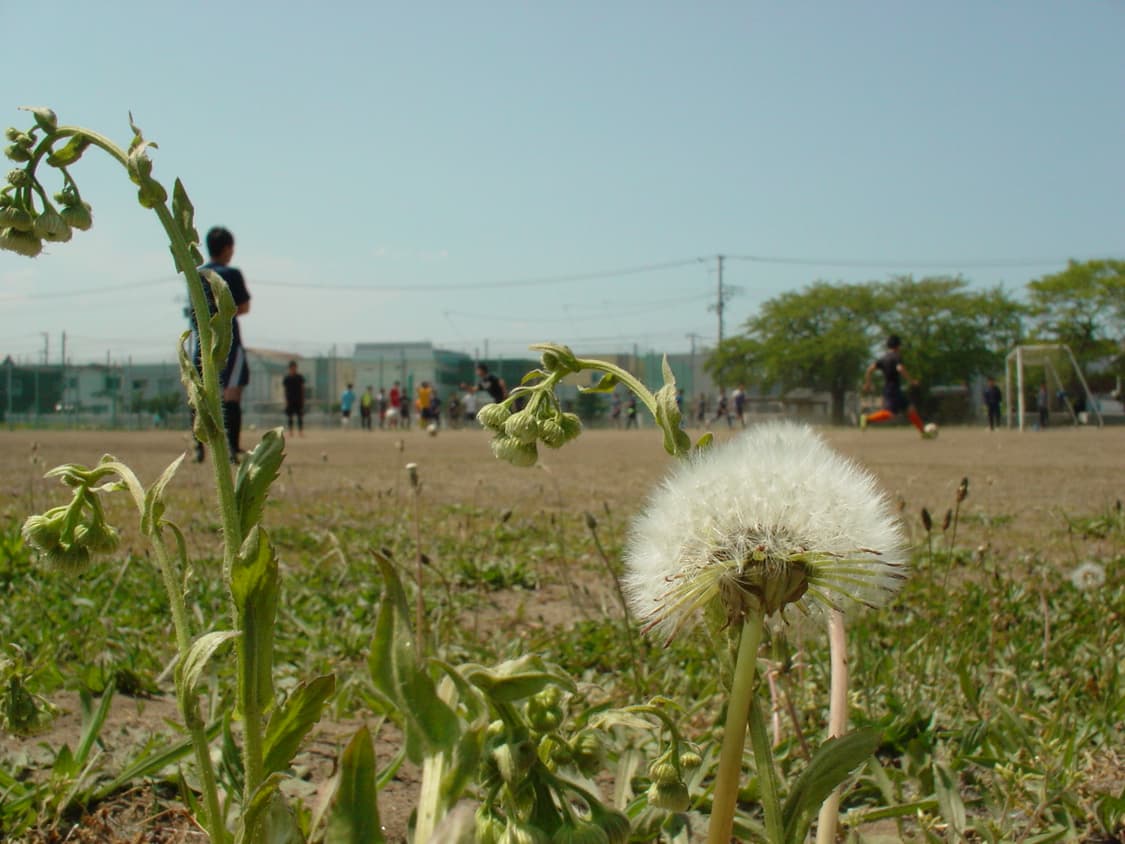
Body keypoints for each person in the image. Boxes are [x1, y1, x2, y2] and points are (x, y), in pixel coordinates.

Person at [189, 226, 251, 464]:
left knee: (199, 394)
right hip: (228, 343)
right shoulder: (231, 274)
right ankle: (232, 449)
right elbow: (243, 307)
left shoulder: (198, 275)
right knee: (231, 395)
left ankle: (199, 449)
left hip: (203, 342)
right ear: (227, 248)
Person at [859, 335, 928, 436]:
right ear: (898, 346)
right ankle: (867, 418)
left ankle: (923, 432)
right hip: (893, 390)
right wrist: (911, 381)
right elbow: (900, 368)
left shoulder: (883, 358)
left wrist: (868, 383)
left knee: (910, 409)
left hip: (891, 389)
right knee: (890, 413)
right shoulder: (896, 356)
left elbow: (869, 369)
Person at [282, 360, 305, 436]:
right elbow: (285, 390)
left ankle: (300, 431)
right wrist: (286, 400)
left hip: (298, 399)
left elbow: (302, 388)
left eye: (294, 367)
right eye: (292, 367)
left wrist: (302, 399)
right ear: (289, 368)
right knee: (290, 417)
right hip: (290, 399)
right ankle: (290, 431)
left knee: (300, 416)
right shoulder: (287, 378)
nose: (293, 369)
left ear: (296, 368)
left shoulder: (299, 377)